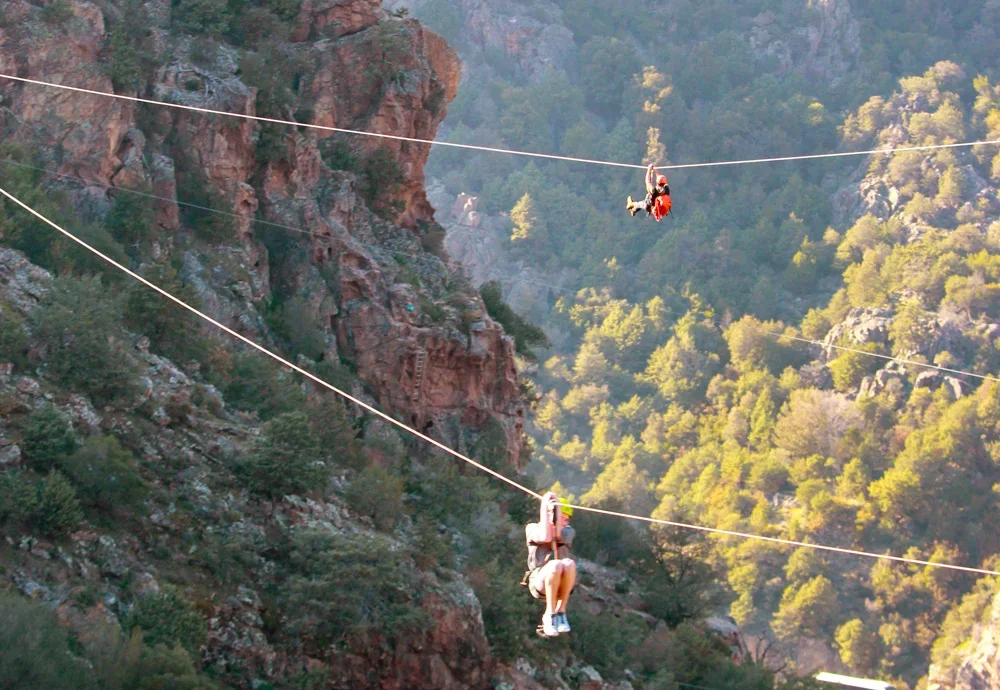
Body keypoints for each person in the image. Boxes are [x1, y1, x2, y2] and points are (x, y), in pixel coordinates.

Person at [524, 492, 577, 636]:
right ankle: (549, 614)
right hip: (539, 580)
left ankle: (561, 612)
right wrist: (547, 500)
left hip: (559, 581)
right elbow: (545, 536)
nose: (565, 523)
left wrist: (556, 519)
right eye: (562, 518)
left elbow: (558, 535)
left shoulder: (568, 531)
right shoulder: (532, 528)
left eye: (567, 519)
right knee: (555, 565)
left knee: (569, 563)